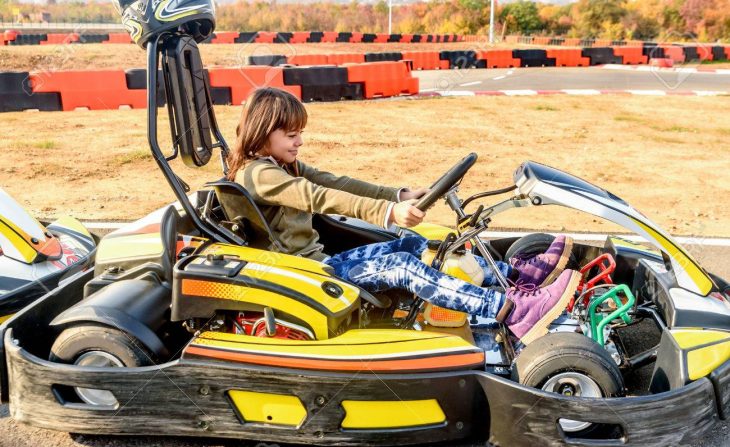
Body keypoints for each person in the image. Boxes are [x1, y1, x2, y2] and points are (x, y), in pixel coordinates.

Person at [227, 87, 580, 344]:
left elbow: (339, 181)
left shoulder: (282, 164)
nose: (299, 141)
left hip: (321, 263)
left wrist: (400, 195)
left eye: (300, 133)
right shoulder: (260, 174)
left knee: (415, 244)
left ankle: (516, 275)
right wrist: (388, 212)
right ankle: (512, 310)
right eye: (291, 134)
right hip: (311, 277)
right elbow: (321, 197)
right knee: (403, 267)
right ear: (262, 131)